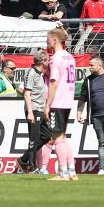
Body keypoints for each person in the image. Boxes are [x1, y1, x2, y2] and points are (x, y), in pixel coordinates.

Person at [45, 27, 78, 181]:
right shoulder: (70, 57)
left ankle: (62, 173)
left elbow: (54, 82)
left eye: (48, 40)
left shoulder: (55, 58)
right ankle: (72, 171)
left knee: (57, 137)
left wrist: (47, 104)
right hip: (68, 100)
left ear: (54, 40)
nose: (46, 42)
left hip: (58, 101)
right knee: (63, 137)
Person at [17, 50, 50, 174]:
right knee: (34, 137)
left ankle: (23, 159)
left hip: (40, 109)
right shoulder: (31, 73)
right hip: (34, 109)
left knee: (46, 136)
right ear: (43, 61)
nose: (49, 62)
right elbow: (27, 94)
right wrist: (30, 112)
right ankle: (31, 166)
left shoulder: (39, 74)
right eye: (47, 60)